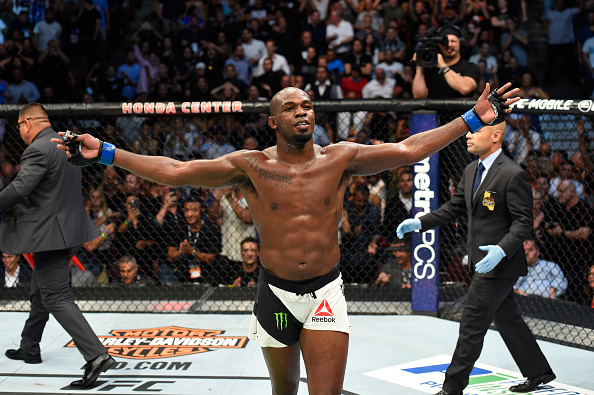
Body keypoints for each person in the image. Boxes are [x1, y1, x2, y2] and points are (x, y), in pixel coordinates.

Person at [53, 82, 519, 395]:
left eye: (308, 106)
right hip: (272, 293)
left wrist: (471, 119)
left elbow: (407, 149)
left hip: (323, 293)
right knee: (283, 393)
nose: (303, 112)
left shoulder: (340, 157)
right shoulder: (250, 165)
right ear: (273, 121)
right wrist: (108, 153)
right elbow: (176, 171)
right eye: (291, 108)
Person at [397, 121, 556, 394]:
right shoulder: (472, 169)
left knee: (471, 322)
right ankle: (539, 372)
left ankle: (452, 387)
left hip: (500, 264)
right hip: (481, 261)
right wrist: (420, 222)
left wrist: (502, 250)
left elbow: (523, 222)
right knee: (508, 318)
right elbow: (454, 207)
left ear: (495, 137)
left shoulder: (512, 174)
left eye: (475, 131)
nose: (468, 135)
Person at [0, 103, 114, 387]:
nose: (20, 133)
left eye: (19, 127)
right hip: (70, 228)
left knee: (56, 297)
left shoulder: (38, 149)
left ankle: (96, 355)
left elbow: (20, 188)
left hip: (52, 234)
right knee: (42, 288)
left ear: (26, 123)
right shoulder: (64, 143)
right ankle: (30, 346)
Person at [412, 25, 481, 99]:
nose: (449, 45)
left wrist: (443, 66)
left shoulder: (470, 67)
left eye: (453, 41)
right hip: (434, 110)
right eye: (444, 42)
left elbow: (465, 88)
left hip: (460, 110)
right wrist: (419, 67)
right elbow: (418, 96)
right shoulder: (430, 68)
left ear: (460, 43)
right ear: (439, 45)